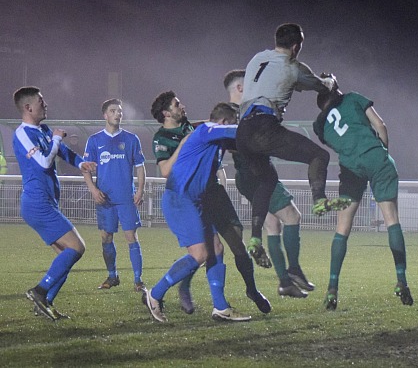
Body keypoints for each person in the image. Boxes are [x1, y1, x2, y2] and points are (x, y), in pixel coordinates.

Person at [236, 23, 351, 265]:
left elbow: (277, 82)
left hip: (242, 131)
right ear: (297, 46)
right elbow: (321, 86)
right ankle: (319, 200)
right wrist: (330, 80)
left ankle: (256, 238)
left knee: (266, 181)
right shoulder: (294, 66)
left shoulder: (258, 58)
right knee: (319, 155)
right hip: (264, 127)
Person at [150, 91, 270, 315]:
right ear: (166, 113)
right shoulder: (190, 132)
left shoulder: (194, 127)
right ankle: (156, 293)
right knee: (200, 254)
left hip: (204, 195)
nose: (182, 105)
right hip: (181, 197)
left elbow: (236, 141)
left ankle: (221, 307)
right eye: (177, 104)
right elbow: (166, 169)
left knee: (217, 248)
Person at [312, 76, 412, 310]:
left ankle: (332, 290)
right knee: (391, 221)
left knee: (342, 229)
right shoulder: (353, 98)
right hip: (375, 156)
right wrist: (382, 154)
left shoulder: (318, 126)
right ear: (335, 89)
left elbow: (338, 140)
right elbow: (381, 126)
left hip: (350, 167)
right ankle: (401, 281)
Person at [225, 69, 314, 298]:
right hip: (258, 175)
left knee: (273, 226)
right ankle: (293, 271)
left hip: (246, 178)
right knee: (293, 216)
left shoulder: (233, 114)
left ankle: (285, 284)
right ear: (241, 88)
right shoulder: (243, 114)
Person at [12, 86, 97, 320]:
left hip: (46, 203)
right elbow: (43, 163)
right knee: (77, 248)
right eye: (41, 101)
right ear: (28, 107)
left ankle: (46, 303)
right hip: (38, 204)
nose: (45, 104)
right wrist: (57, 139)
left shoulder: (43, 129)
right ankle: (39, 291)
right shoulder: (22, 133)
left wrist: (81, 164)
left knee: (64, 257)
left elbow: (64, 153)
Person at [82, 99, 146, 292]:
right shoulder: (94, 140)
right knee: (106, 237)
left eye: (120, 111)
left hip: (126, 198)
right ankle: (112, 276)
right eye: (113, 111)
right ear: (105, 115)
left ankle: (138, 280)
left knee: (131, 237)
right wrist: (93, 189)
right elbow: (86, 169)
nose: (118, 114)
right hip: (105, 200)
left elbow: (140, 167)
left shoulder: (131, 139)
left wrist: (140, 190)